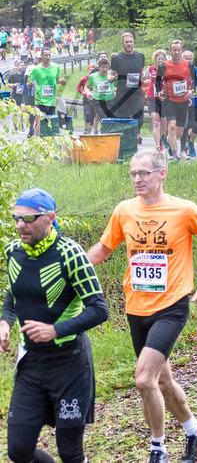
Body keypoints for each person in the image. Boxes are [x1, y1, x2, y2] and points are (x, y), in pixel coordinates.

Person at [87, 149, 197, 463]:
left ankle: (158, 448)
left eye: (144, 173)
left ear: (161, 174)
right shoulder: (124, 210)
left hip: (171, 306)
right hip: (136, 307)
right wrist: (71, 270)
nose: (137, 179)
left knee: (144, 379)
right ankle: (195, 431)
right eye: (133, 173)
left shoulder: (184, 209)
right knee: (162, 380)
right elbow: (104, 248)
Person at [2, 188, 108, 463]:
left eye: (28, 218)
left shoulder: (70, 254)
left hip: (69, 364)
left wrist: (54, 331)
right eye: (16, 218)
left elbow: (99, 309)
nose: (20, 225)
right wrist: (5, 322)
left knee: (70, 452)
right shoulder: (12, 251)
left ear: (50, 218)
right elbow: (13, 294)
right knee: (18, 450)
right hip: (31, 363)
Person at [109, 32, 149, 145]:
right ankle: (129, 141)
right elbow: (110, 74)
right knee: (124, 119)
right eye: (126, 42)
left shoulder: (140, 56)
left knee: (139, 119)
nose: (129, 44)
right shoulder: (116, 58)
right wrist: (111, 78)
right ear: (122, 43)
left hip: (136, 93)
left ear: (133, 42)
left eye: (131, 41)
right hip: (122, 94)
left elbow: (142, 70)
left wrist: (143, 75)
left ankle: (136, 132)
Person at [159, 40, 194, 159]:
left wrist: (191, 90)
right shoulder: (164, 66)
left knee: (179, 132)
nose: (176, 52)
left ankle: (170, 144)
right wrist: (159, 91)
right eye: (174, 50)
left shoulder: (188, 65)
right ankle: (175, 155)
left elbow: (195, 80)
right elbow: (157, 81)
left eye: (178, 50)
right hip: (169, 100)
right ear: (170, 51)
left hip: (183, 101)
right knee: (172, 126)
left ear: (181, 51)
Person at [26, 47, 66, 137]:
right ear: (41, 56)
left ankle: (48, 140)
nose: (48, 57)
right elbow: (28, 82)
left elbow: (57, 80)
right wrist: (30, 84)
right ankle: (38, 140)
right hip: (40, 99)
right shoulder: (36, 69)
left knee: (49, 122)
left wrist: (61, 81)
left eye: (49, 55)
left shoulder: (56, 67)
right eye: (46, 55)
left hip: (51, 100)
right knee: (41, 119)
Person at [84, 56, 115, 135]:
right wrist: (88, 93)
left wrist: (115, 89)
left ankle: (107, 135)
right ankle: (106, 135)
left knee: (111, 120)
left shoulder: (112, 75)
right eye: (103, 67)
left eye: (106, 67)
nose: (105, 69)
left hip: (110, 101)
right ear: (99, 67)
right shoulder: (93, 76)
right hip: (98, 102)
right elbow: (86, 87)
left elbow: (118, 85)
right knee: (104, 119)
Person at [146, 49, 168, 152]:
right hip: (152, 97)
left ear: (165, 59)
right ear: (155, 59)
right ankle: (158, 146)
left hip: (164, 98)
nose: (160, 60)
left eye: (162, 59)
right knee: (155, 121)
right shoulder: (150, 69)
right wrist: (145, 80)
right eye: (158, 58)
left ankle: (161, 137)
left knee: (164, 122)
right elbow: (144, 78)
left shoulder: (168, 69)